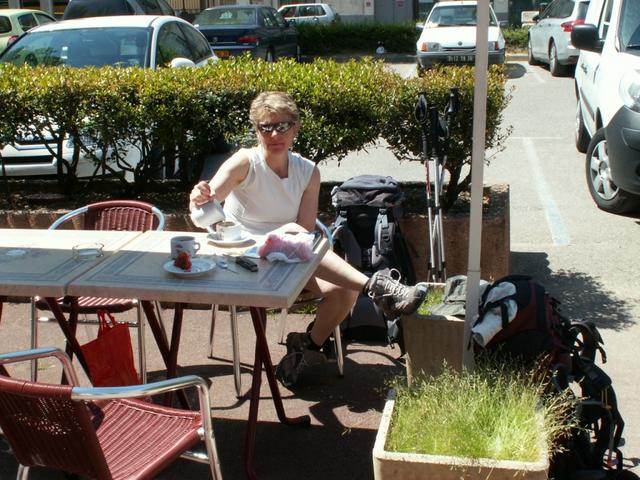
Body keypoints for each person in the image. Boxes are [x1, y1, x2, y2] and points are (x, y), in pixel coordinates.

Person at [189, 91, 428, 387]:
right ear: (256, 130)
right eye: (266, 127)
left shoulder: (307, 171)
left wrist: (287, 237)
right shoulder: (244, 163)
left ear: (296, 128)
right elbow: (204, 211)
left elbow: (303, 229)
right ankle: (377, 287)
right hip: (243, 261)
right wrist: (198, 198)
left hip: (287, 259)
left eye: (283, 125)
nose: (274, 133)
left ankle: (308, 345)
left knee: (343, 290)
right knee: (299, 240)